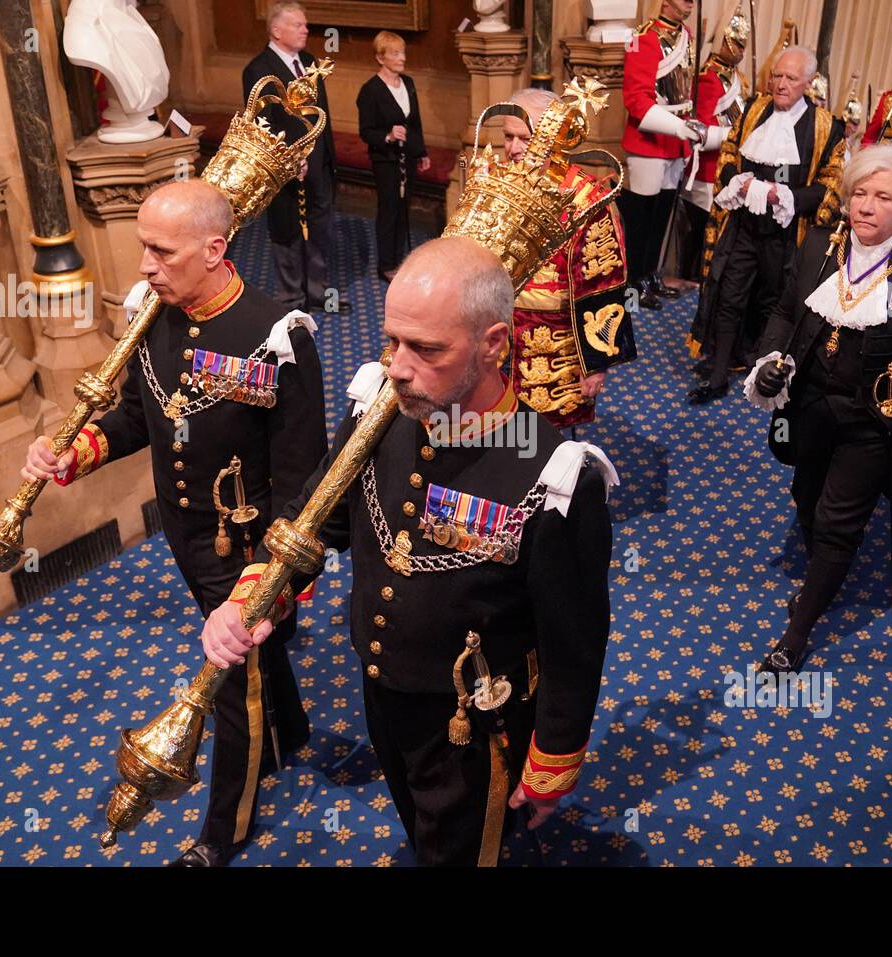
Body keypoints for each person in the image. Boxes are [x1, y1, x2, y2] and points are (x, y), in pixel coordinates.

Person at [197, 237, 616, 866]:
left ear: (494, 343)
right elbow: (315, 519)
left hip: (475, 727)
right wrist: (248, 601)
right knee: (420, 829)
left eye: (427, 349)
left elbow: (574, 641)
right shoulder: (381, 414)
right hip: (381, 689)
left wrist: (552, 760)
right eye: (392, 340)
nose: (397, 366)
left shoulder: (554, 473)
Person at [21, 180, 328, 866]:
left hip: (247, 550)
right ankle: (292, 732)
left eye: (160, 250)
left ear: (215, 249)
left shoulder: (276, 337)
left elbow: (300, 480)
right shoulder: (152, 315)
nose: (143, 266)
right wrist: (78, 451)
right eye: (142, 248)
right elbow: (140, 415)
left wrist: (269, 583)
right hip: (187, 539)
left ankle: (224, 832)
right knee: (251, 668)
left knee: (227, 687)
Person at [745, 143, 892, 674]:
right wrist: (771, 358)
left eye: (882, 197)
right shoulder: (819, 245)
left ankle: (797, 634)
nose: (864, 205)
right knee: (807, 498)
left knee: (839, 522)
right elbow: (783, 311)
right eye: (858, 193)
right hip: (811, 405)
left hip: (875, 422)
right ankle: (823, 572)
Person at [687, 45, 845, 405]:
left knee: (773, 301)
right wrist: (736, 181)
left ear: (808, 82)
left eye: (791, 78)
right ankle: (717, 374)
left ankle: (762, 367)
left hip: (788, 233)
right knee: (729, 294)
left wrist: (786, 198)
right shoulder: (754, 109)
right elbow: (729, 152)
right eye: (777, 75)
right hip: (743, 224)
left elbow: (831, 181)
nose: (780, 83)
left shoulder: (826, 126)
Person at [503, 87, 634, 431]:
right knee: (500, 434)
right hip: (498, 334)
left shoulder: (587, 198)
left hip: (558, 342)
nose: (513, 149)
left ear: (552, 138)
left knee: (550, 443)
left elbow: (603, 281)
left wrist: (596, 361)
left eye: (523, 138)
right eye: (507, 137)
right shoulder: (496, 185)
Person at [242, 1, 339, 313]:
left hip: (320, 165)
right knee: (288, 233)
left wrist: (325, 156)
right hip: (285, 171)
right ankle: (292, 302)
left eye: (305, 24)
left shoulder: (310, 62)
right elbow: (262, 124)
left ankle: (317, 294)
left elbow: (321, 114)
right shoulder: (258, 70)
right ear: (276, 30)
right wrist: (289, 160)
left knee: (319, 228)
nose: (306, 30)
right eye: (298, 25)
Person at [619, 0, 702, 310]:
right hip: (650, 140)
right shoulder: (643, 38)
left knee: (660, 218)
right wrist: (677, 128)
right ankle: (631, 287)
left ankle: (651, 277)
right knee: (639, 220)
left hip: (675, 143)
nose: (690, 4)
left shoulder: (686, 36)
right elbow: (636, 100)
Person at [356, 31, 430, 284]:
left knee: (403, 209)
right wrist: (387, 135)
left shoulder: (408, 83)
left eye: (403, 53)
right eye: (396, 54)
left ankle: (401, 259)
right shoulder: (370, 90)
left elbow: (415, 122)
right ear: (380, 57)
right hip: (385, 160)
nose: (402, 58)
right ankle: (387, 264)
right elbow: (366, 131)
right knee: (389, 210)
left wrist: (421, 152)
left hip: (407, 158)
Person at [682, 8, 749, 282]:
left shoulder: (737, 80)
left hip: (726, 170)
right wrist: (735, 136)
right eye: (737, 42)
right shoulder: (708, 78)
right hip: (706, 173)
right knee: (699, 237)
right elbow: (701, 130)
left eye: (744, 44)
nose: (741, 50)